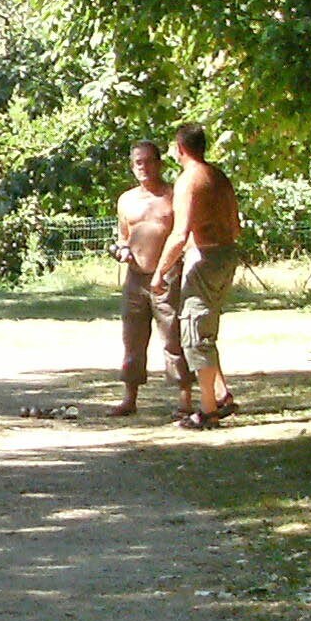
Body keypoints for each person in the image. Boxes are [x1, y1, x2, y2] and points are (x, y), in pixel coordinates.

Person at [150, 122, 244, 427]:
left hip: (206, 257)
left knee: (195, 333)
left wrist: (159, 272)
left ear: (180, 149)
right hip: (227, 253)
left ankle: (207, 411)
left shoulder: (189, 180)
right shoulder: (218, 176)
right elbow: (235, 224)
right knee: (206, 329)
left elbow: (179, 234)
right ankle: (220, 395)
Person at [112, 138, 185, 418]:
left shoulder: (172, 196)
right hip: (135, 278)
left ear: (159, 163)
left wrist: (170, 270)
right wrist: (122, 251)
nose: (143, 167)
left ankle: (184, 399)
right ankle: (129, 399)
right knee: (132, 339)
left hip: (166, 277)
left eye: (147, 161)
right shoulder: (126, 200)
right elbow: (123, 237)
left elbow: (183, 234)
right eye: (137, 162)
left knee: (173, 338)